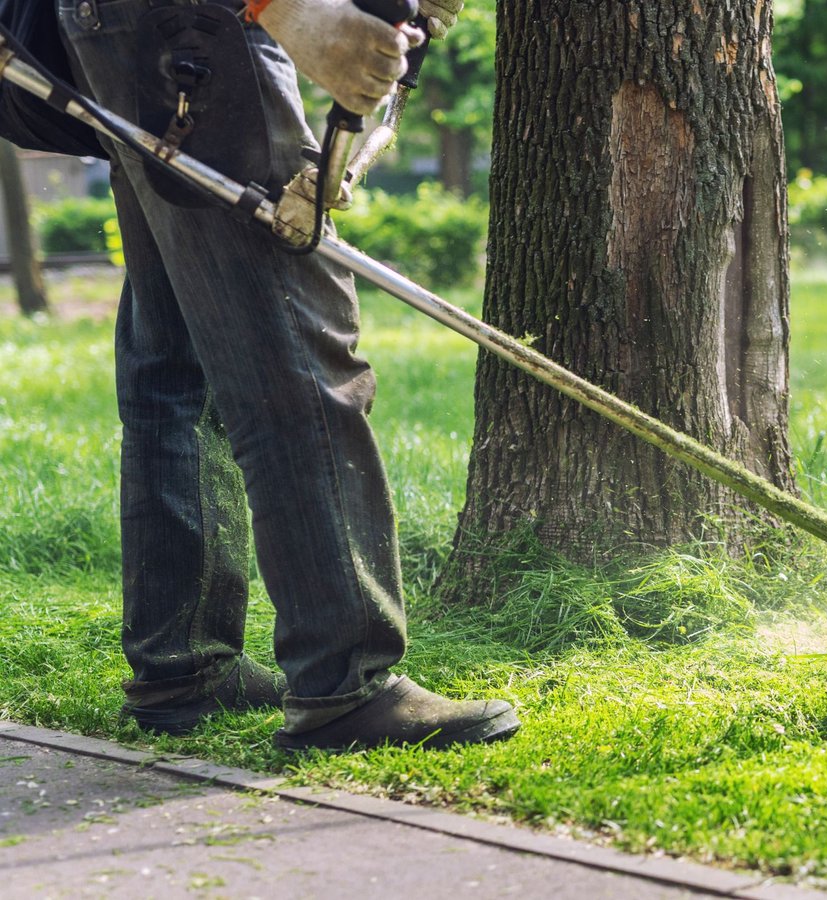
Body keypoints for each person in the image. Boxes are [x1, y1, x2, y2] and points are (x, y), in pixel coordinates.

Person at [55, 0, 519, 751]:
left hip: (124, 25)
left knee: (182, 358)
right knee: (293, 350)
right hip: (194, 24)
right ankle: (346, 684)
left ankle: (183, 666)